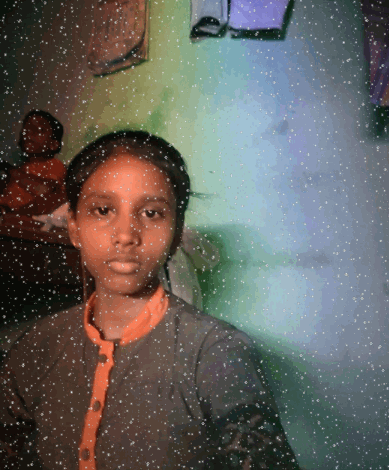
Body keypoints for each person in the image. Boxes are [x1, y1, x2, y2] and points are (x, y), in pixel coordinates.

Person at [0, 130, 301, 470]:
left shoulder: (217, 352)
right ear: (74, 227)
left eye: (152, 213)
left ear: (176, 232)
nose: (126, 235)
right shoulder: (35, 346)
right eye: (103, 210)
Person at [0, 109, 66, 217]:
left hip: (21, 221)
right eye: (26, 130)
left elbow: (45, 191)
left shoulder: (54, 165)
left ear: (53, 145)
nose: (29, 134)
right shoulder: (21, 169)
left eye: (38, 130)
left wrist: (9, 169)